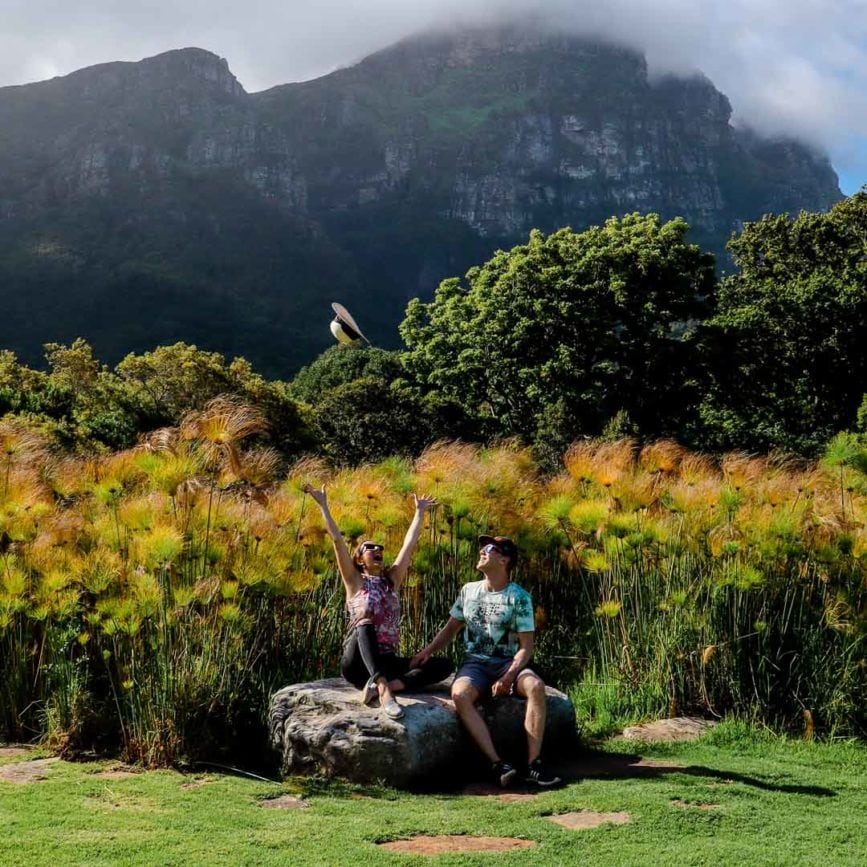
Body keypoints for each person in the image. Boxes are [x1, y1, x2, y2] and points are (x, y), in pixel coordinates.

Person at [411, 535, 562, 787]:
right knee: (459, 694)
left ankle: (534, 765)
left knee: (535, 687)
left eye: (489, 548)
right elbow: (451, 628)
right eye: (482, 546)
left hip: (508, 662)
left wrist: (509, 675)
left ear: (504, 560)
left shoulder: (519, 597)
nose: (482, 551)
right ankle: (497, 764)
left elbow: (526, 648)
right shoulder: (468, 591)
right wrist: (427, 651)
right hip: (475, 664)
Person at [303, 483, 453, 719]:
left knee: (444, 665)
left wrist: (419, 512)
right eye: (369, 547)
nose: (377, 549)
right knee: (365, 623)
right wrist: (323, 504)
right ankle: (384, 690)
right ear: (360, 559)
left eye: (380, 548)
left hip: (387, 659)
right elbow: (337, 541)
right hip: (357, 662)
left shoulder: (391, 580)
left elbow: (408, 545)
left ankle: (384, 685)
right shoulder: (354, 581)